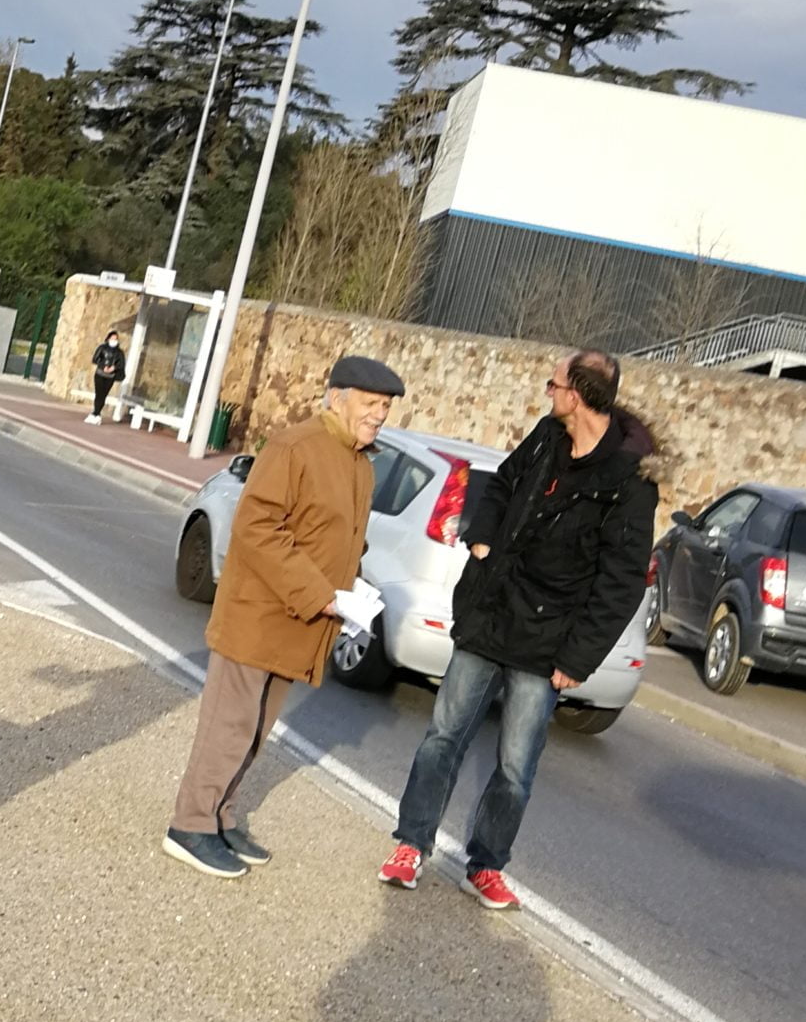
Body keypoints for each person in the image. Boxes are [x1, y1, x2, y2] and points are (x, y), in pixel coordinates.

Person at [381, 350, 656, 910]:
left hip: (546, 643)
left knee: (515, 766)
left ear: (577, 393)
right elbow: (502, 484)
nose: (546, 391)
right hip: (490, 615)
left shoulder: (629, 482)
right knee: (443, 737)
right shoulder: (547, 436)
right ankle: (411, 844)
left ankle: (485, 864)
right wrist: (480, 537)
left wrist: (577, 659)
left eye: (553, 383)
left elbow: (621, 583)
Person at [164, 353, 405, 879]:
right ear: (337, 398)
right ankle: (190, 825)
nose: (379, 415)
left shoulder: (361, 463)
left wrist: (353, 587)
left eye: (385, 407)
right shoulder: (295, 447)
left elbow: (338, 540)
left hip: (299, 622)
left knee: (255, 731)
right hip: (260, 616)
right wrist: (321, 593)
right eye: (371, 404)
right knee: (229, 726)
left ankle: (220, 817)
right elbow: (257, 529)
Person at [87, 328, 126, 424]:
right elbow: (95, 359)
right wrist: (103, 366)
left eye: (116, 339)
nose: (114, 341)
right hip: (100, 373)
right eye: (112, 338)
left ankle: (96, 414)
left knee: (104, 395)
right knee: (99, 393)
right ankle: (96, 413)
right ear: (108, 339)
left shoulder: (119, 352)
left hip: (110, 376)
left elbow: (121, 364)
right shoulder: (102, 348)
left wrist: (113, 368)